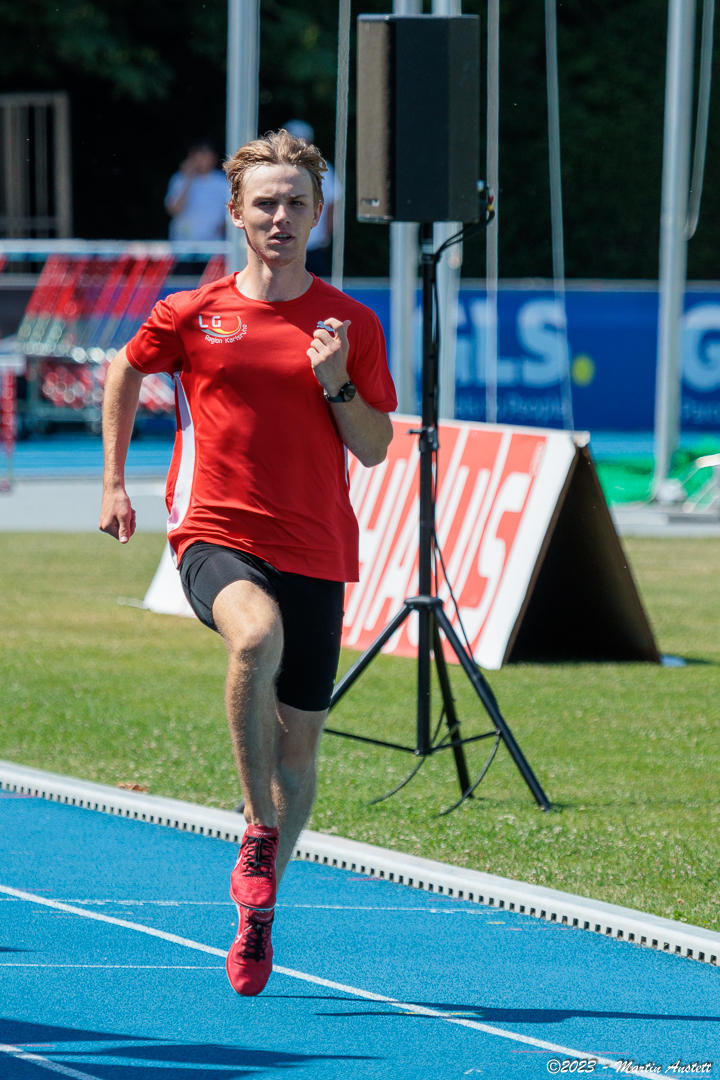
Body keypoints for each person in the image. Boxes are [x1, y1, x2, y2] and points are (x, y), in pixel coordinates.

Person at [99, 129, 396, 997]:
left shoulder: (350, 324)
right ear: (235, 213)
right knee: (254, 636)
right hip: (214, 532)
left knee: (300, 751)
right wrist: (114, 481)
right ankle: (256, 829)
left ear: (320, 215)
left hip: (317, 546)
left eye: (296, 203)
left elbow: (375, 446)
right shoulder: (193, 313)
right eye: (265, 203)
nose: (280, 216)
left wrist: (336, 380)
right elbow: (123, 371)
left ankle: (260, 908)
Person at [283, 120, 341, 277]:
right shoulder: (275, 167)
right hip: (283, 245)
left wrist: (326, 236)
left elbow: (332, 204)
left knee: (318, 286)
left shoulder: (323, 169)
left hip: (313, 245)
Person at [165, 141, 229, 241]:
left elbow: (232, 211)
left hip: (213, 243)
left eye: (204, 155)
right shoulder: (179, 179)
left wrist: (224, 227)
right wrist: (188, 179)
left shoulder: (223, 182)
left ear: (213, 158)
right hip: (182, 242)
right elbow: (173, 210)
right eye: (196, 155)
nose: (200, 159)